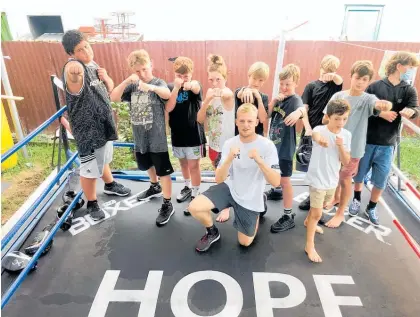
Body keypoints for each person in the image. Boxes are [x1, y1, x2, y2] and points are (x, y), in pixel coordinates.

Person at [188, 104, 280, 252]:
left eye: (250, 121)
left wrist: (259, 160)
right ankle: (212, 232)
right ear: (236, 122)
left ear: (256, 122)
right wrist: (229, 158)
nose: (245, 125)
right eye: (242, 121)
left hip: (251, 195)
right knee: (194, 207)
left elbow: (276, 182)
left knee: (244, 243)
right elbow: (219, 179)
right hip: (230, 187)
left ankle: (259, 204)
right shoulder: (230, 144)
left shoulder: (266, 146)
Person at [61, 30, 131, 221]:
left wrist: (107, 77)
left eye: (87, 46)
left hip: (103, 126)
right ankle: (92, 202)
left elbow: (108, 88)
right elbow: (74, 80)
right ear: (71, 54)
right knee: (89, 169)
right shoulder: (74, 67)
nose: (86, 51)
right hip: (88, 131)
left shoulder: (93, 65)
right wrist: (74, 73)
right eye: (80, 50)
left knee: (103, 159)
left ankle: (109, 185)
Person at [350, 51, 419, 226]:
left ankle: (371, 207)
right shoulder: (375, 86)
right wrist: (381, 114)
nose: (411, 70)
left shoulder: (409, 89)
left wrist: (412, 112)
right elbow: (363, 108)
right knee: (358, 175)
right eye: (410, 67)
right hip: (368, 139)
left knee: (381, 180)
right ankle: (356, 199)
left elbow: (415, 109)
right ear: (399, 66)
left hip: (388, 143)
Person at [322, 60, 393, 228]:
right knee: (336, 175)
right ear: (351, 77)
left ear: (368, 82)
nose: (360, 82)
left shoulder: (368, 99)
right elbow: (325, 118)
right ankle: (336, 197)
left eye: (365, 79)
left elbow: (380, 105)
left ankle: (340, 214)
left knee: (346, 179)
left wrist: (385, 104)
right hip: (334, 146)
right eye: (357, 78)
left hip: (354, 149)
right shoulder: (338, 97)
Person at [110, 49, 174, 227]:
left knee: (163, 171)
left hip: (157, 137)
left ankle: (168, 204)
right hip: (140, 137)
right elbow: (114, 98)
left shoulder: (157, 82)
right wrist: (126, 81)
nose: (142, 74)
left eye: (145, 69)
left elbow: (167, 94)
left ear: (151, 64)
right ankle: (154, 186)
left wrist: (151, 87)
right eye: (138, 71)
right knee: (147, 165)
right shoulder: (132, 85)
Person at [304, 99, 351, 262]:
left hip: (332, 179)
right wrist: (320, 140)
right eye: (337, 118)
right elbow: (315, 135)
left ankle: (308, 220)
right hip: (317, 178)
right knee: (317, 213)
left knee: (320, 207)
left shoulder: (346, 135)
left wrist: (340, 146)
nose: (341, 123)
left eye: (344, 119)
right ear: (329, 117)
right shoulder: (320, 130)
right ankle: (309, 245)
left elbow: (346, 162)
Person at [267, 64, 312, 233]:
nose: (285, 87)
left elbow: (302, 108)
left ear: (296, 83)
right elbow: (269, 114)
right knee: (274, 175)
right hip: (273, 146)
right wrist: (273, 101)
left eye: (288, 84)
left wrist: (298, 113)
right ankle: (275, 189)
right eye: (282, 83)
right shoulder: (281, 98)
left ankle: (288, 215)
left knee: (285, 180)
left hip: (285, 149)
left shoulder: (295, 100)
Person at [298, 55, 344, 211]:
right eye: (327, 69)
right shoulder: (311, 86)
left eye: (332, 70)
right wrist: (308, 128)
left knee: (324, 164)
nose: (328, 72)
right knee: (309, 163)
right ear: (321, 67)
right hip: (311, 129)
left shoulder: (334, 86)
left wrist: (334, 75)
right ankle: (311, 194)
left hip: (328, 131)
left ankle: (319, 199)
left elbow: (339, 81)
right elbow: (304, 108)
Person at [197, 54, 235, 222]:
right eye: (211, 80)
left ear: (225, 78)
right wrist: (207, 100)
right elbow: (199, 118)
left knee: (229, 177)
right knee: (219, 176)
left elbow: (227, 94)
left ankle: (227, 208)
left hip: (227, 146)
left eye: (218, 79)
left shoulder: (227, 94)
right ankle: (225, 202)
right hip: (213, 144)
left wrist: (220, 91)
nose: (214, 83)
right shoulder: (210, 95)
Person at [166, 57, 207, 213]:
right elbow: (169, 108)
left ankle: (196, 193)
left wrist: (190, 84)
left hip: (194, 134)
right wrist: (177, 88)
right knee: (183, 164)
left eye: (186, 76)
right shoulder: (170, 87)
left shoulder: (195, 86)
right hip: (177, 133)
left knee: (194, 165)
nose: (183, 79)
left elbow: (196, 88)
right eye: (179, 76)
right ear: (174, 74)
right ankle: (187, 186)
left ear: (191, 74)